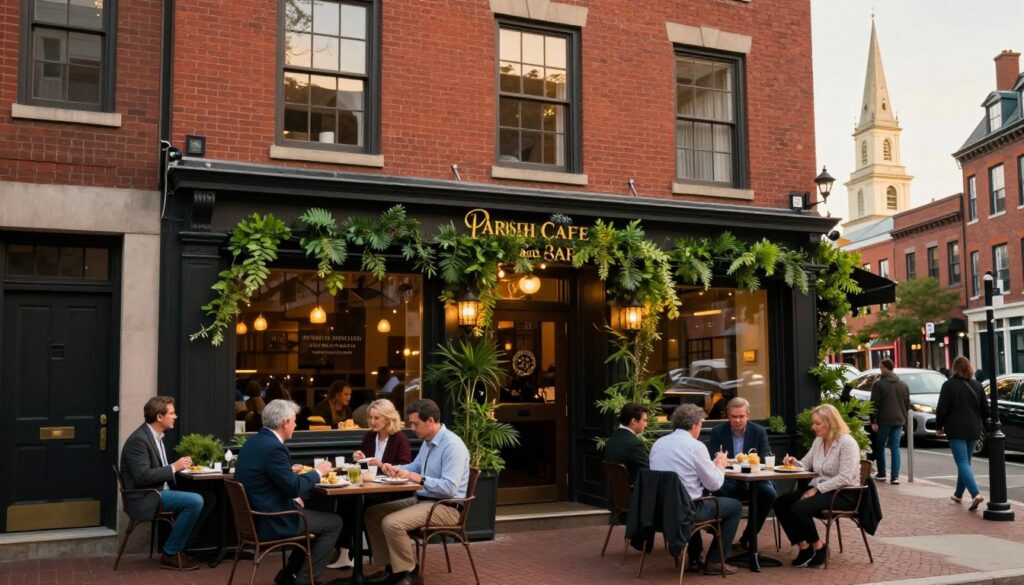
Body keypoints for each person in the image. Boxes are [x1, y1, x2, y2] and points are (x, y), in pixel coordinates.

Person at [234, 399, 342, 585]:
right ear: (284, 423)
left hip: (254, 518)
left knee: (311, 517)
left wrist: (287, 472)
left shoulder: (254, 442)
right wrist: (319, 472)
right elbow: (294, 488)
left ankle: (289, 574)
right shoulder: (275, 448)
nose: (295, 424)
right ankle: (305, 580)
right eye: (293, 420)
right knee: (334, 522)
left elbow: (264, 477)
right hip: (273, 520)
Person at [364, 399, 470, 585]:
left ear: (430, 420)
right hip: (424, 501)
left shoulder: (452, 446)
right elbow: (415, 466)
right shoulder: (428, 442)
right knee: (373, 514)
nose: (412, 428)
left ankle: (409, 573)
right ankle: (391, 568)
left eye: (415, 423)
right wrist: (395, 468)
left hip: (446, 506)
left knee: (392, 523)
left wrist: (416, 478)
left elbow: (449, 488)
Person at [119, 396, 214, 571]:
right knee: (195, 501)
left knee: (208, 498)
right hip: (145, 497)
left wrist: (180, 469)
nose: (175, 416)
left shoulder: (156, 436)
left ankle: (181, 548)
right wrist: (174, 467)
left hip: (159, 491)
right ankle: (170, 553)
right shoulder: (138, 440)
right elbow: (142, 477)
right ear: (159, 417)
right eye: (172, 413)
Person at [650, 404, 741, 576]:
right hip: (686, 511)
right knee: (734, 506)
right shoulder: (695, 446)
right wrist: (720, 464)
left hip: (660, 510)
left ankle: (694, 558)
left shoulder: (658, 443)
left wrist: (711, 467)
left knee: (695, 496)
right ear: (694, 425)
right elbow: (714, 484)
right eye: (700, 425)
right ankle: (714, 561)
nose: (700, 428)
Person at [326, 399, 413, 570]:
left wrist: (381, 465)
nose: (372, 422)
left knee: (355, 506)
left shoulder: (399, 438)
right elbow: (365, 465)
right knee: (346, 502)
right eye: (370, 418)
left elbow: (404, 467)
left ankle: (348, 553)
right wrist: (359, 458)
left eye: (376, 418)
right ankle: (345, 552)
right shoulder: (370, 436)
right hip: (371, 487)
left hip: (392, 492)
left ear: (388, 419)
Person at [773, 403, 860, 568]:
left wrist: (815, 489)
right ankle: (804, 547)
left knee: (799, 508)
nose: (814, 427)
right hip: (821, 490)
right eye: (813, 423)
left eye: (817, 423)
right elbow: (805, 464)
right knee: (780, 503)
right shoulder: (819, 441)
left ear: (831, 423)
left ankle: (819, 548)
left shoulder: (847, 443)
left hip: (843, 493)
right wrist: (794, 462)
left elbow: (845, 477)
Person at [706, 397, 776, 551]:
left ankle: (748, 537)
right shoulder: (718, 431)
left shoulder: (758, 431)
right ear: (728, 416)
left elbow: (765, 455)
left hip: (755, 479)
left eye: (741, 416)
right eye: (734, 416)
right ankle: (719, 535)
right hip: (729, 479)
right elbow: (712, 456)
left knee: (769, 494)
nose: (738, 420)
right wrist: (720, 459)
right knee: (719, 491)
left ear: (748, 416)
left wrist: (750, 460)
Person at [936, 356, 989, 511]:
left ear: (954, 368)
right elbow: (985, 410)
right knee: (966, 461)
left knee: (962, 462)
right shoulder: (978, 386)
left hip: (956, 428)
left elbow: (942, 409)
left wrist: (939, 426)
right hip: (974, 428)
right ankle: (958, 494)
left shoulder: (948, 385)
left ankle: (975, 493)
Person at [869, 359, 910, 484]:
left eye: (881, 367)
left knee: (880, 446)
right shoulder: (903, 385)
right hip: (899, 420)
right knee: (895, 447)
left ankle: (882, 473)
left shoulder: (878, 384)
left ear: (885, 368)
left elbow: (873, 404)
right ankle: (895, 476)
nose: (880, 369)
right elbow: (906, 404)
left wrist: (873, 420)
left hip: (884, 420)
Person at [603, 402, 649, 483]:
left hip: (619, 492)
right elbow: (647, 474)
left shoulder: (612, 439)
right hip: (636, 492)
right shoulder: (634, 444)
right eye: (645, 420)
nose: (646, 424)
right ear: (634, 421)